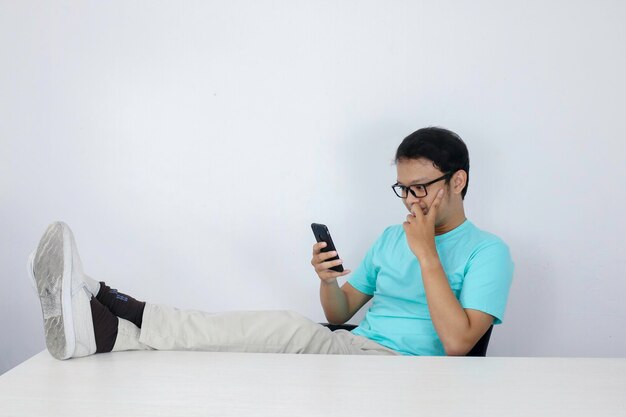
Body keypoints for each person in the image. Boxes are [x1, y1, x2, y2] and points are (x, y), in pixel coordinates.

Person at [28, 127, 513, 360]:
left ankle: (113, 306)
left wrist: (428, 254)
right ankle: (111, 327)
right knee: (248, 340)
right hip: (353, 350)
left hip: (407, 372)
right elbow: (342, 312)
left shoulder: (489, 252)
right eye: (403, 188)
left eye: (421, 187)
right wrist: (328, 281)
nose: (411, 201)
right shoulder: (392, 238)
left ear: (458, 181)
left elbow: (458, 344)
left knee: (277, 327)